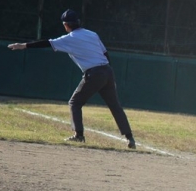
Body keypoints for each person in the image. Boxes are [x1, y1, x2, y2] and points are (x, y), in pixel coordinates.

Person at [8, 9, 136, 149]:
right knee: (115, 106)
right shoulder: (92, 34)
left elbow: (47, 43)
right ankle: (130, 138)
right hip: (107, 71)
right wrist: (109, 75)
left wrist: (23, 46)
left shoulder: (70, 38)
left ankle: (79, 135)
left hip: (94, 73)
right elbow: (105, 54)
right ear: (78, 22)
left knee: (75, 102)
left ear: (65, 25)